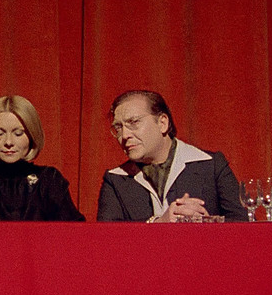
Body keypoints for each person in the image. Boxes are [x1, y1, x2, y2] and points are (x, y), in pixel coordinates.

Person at [97, 90, 247, 222]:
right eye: (118, 127)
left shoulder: (211, 165)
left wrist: (206, 222)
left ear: (162, 123)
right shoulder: (115, 179)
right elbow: (107, 237)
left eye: (133, 122)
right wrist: (157, 223)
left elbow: (243, 223)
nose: (125, 135)